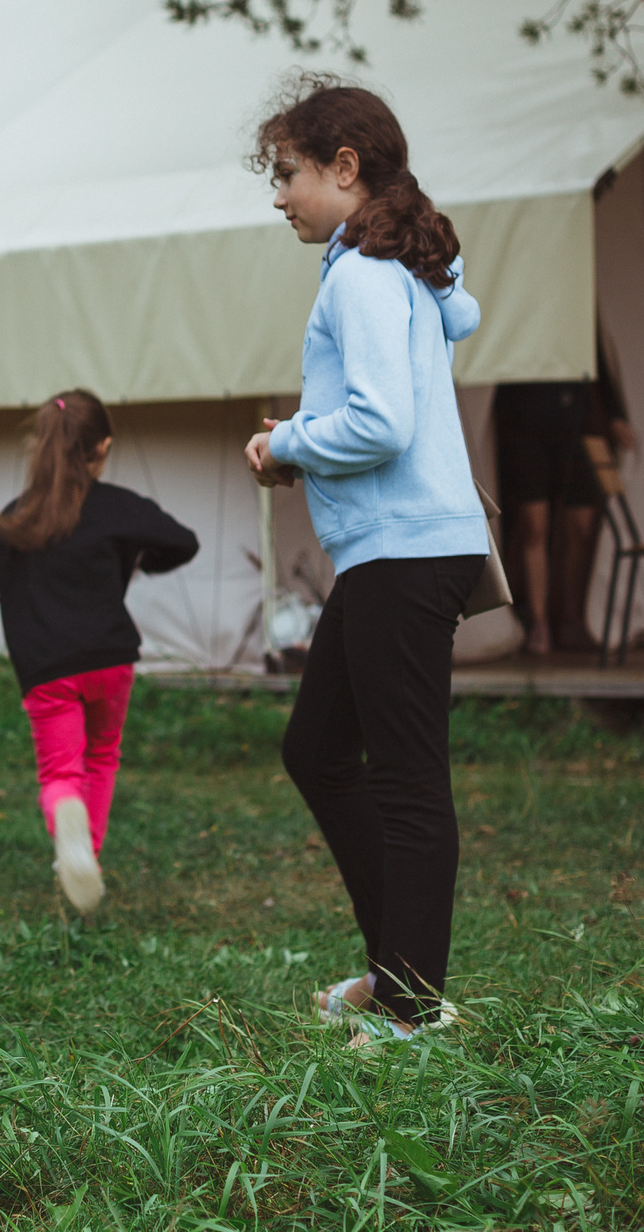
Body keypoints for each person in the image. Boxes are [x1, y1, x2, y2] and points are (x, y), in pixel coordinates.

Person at [242, 80, 485, 1048]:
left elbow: (382, 424)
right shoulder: (390, 267)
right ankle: (397, 971)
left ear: (345, 169)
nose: (277, 197)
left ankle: (414, 1006)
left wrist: (288, 443)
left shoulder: (362, 277)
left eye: (287, 174)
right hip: (391, 554)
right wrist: (299, 439)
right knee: (315, 750)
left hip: (406, 552)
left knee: (408, 781)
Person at [0, 389, 200, 915]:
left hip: (47, 670)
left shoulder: (15, 520)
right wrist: (138, 559)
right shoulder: (118, 508)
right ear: (102, 447)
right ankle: (87, 851)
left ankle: (69, 826)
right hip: (111, 660)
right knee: (102, 756)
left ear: (41, 446)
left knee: (60, 774)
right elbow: (182, 540)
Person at [492, 325, 634, 654]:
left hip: (576, 423)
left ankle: (572, 618)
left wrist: (614, 416)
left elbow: (595, 352)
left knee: (582, 526)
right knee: (534, 527)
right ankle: (539, 623)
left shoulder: (574, 292)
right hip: (525, 424)